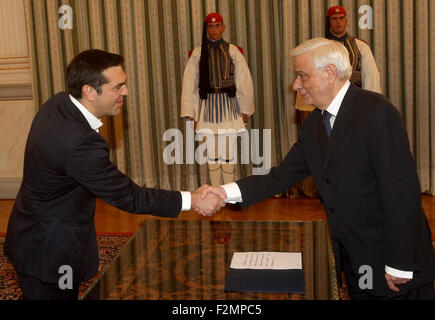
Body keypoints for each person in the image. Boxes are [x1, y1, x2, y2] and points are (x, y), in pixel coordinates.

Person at [200, 38, 435, 300]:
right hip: (357, 259)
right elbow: (281, 176)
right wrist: (222, 192)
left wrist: (399, 264)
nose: (295, 85)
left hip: (394, 264)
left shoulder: (377, 113)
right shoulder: (315, 125)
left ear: (330, 74)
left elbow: (401, 194)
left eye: (302, 76)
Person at [4, 49, 224, 300]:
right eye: (117, 87)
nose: (126, 92)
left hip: (32, 232)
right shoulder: (79, 144)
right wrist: (193, 200)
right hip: (49, 252)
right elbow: (129, 196)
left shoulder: (59, 104)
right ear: (89, 91)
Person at [180, 12, 254, 187]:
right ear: (206, 28)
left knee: (228, 153)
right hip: (206, 109)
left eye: (217, 26)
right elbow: (190, 83)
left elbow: (244, 82)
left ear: (223, 27)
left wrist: (245, 110)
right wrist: (192, 114)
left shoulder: (233, 51)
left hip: (230, 107)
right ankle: (215, 194)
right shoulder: (197, 53)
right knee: (212, 154)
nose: (214, 29)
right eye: (210, 26)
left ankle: (230, 194)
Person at [326, 5, 381, 93]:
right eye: (334, 19)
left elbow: (370, 75)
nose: (338, 22)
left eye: (341, 18)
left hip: (355, 97)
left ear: (346, 21)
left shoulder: (361, 46)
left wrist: (371, 100)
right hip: (329, 97)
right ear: (330, 22)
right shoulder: (321, 47)